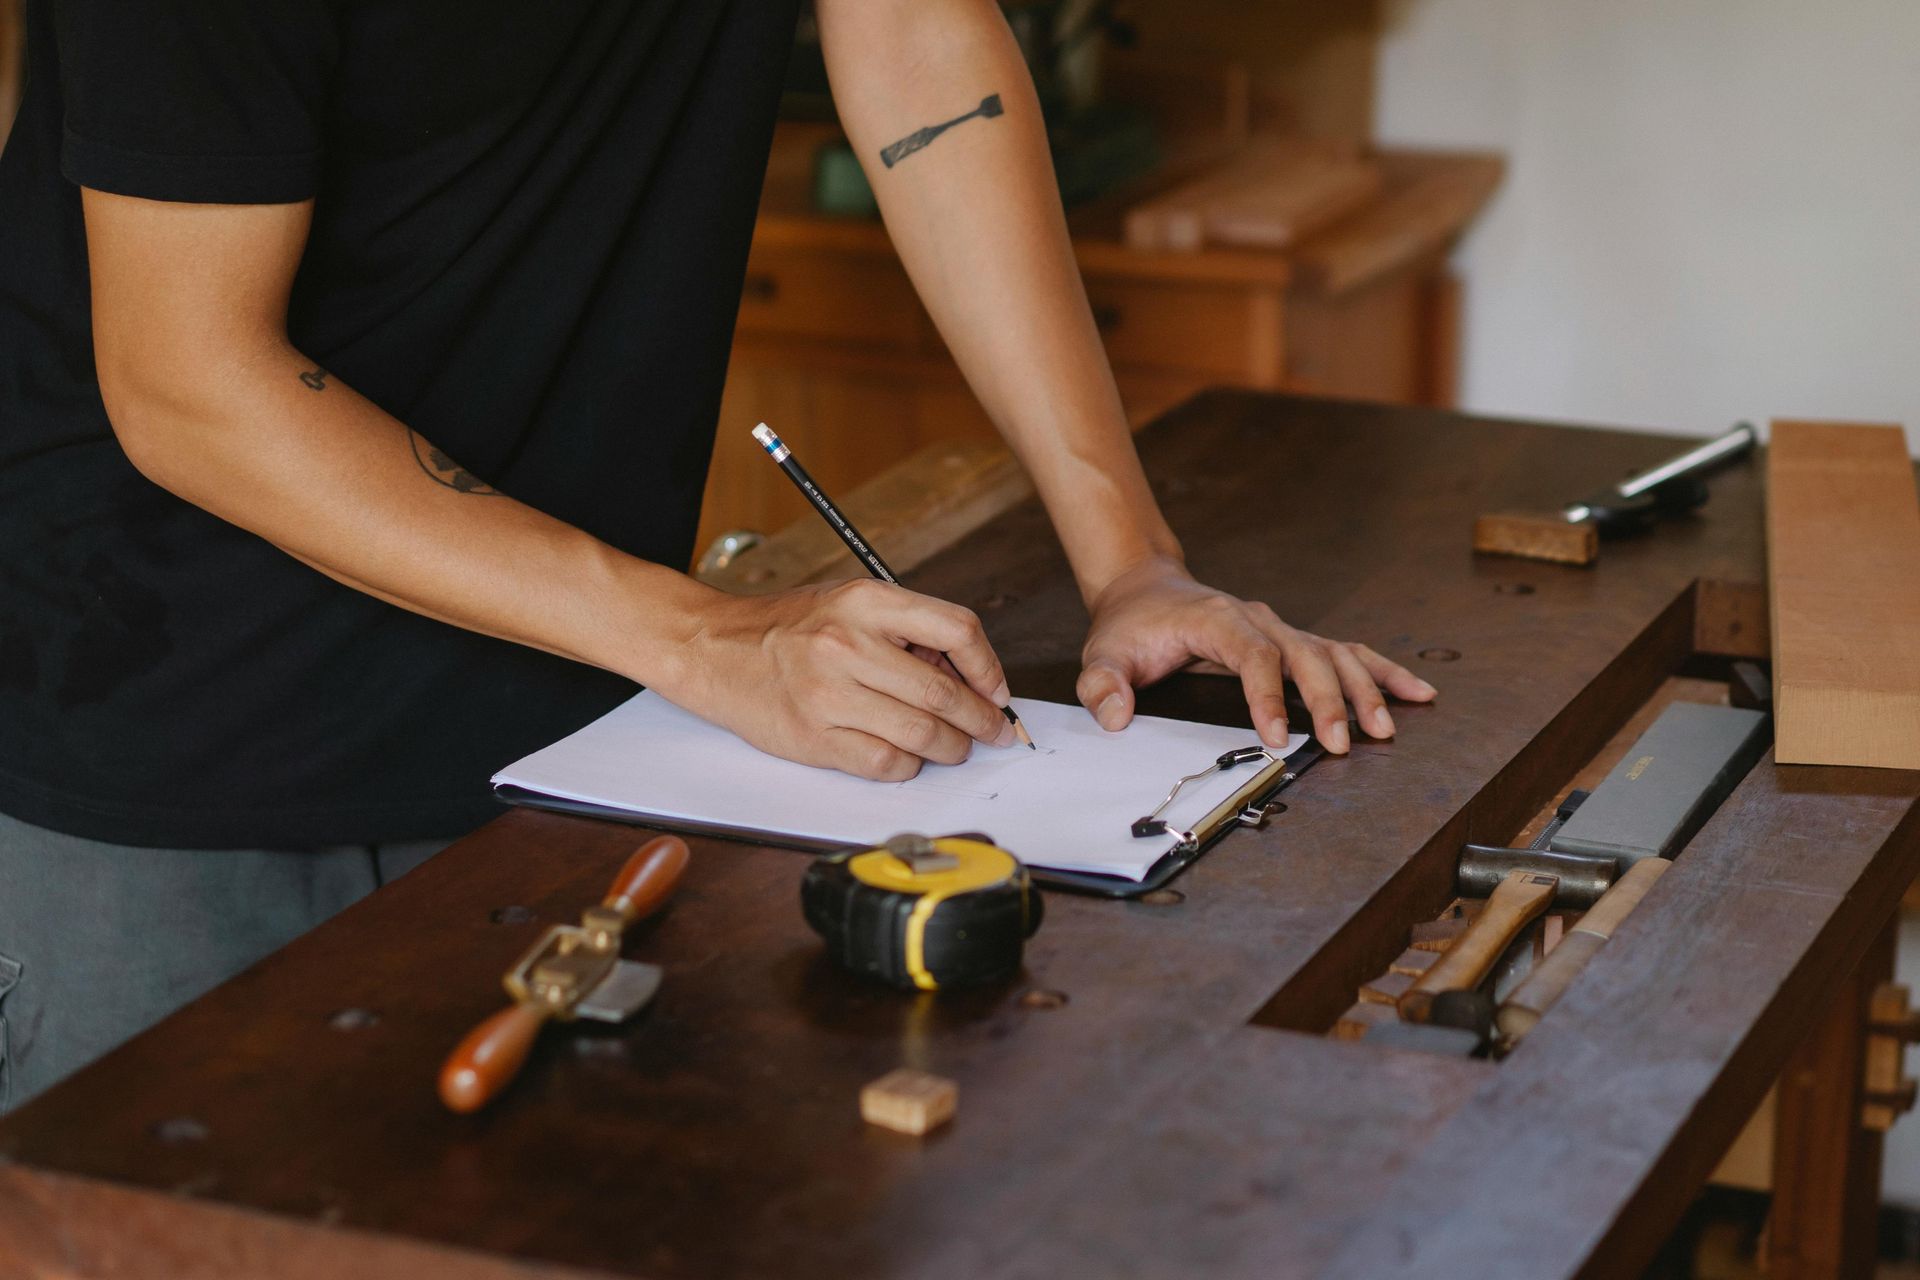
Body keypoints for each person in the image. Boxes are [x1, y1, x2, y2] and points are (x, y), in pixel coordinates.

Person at [0, 0, 1435, 1109]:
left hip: (574, 707)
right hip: (165, 732)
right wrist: (704, 638)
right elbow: (188, 381)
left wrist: (1132, 561)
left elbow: (919, 37)